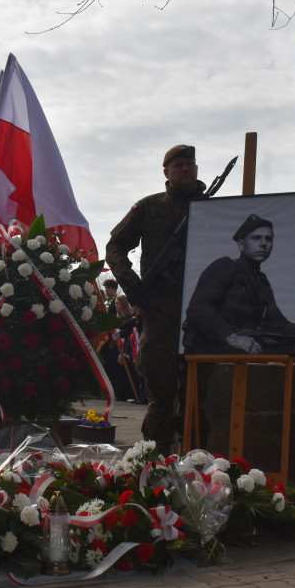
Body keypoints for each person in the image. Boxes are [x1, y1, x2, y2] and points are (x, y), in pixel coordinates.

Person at [106, 144, 208, 454]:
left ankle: (199, 465)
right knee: (161, 396)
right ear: (166, 172)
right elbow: (115, 246)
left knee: (199, 397)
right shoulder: (149, 208)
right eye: (178, 165)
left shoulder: (214, 208)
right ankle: (155, 466)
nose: (185, 169)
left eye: (190, 163)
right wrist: (132, 284)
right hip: (159, 312)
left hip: (203, 313)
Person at [183, 214, 295, 356]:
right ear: (241, 244)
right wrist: (231, 337)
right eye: (256, 238)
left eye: (268, 239)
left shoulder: (261, 280)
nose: (263, 244)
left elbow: (276, 322)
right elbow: (197, 309)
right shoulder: (225, 266)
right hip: (215, 346)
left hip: (244, 346)